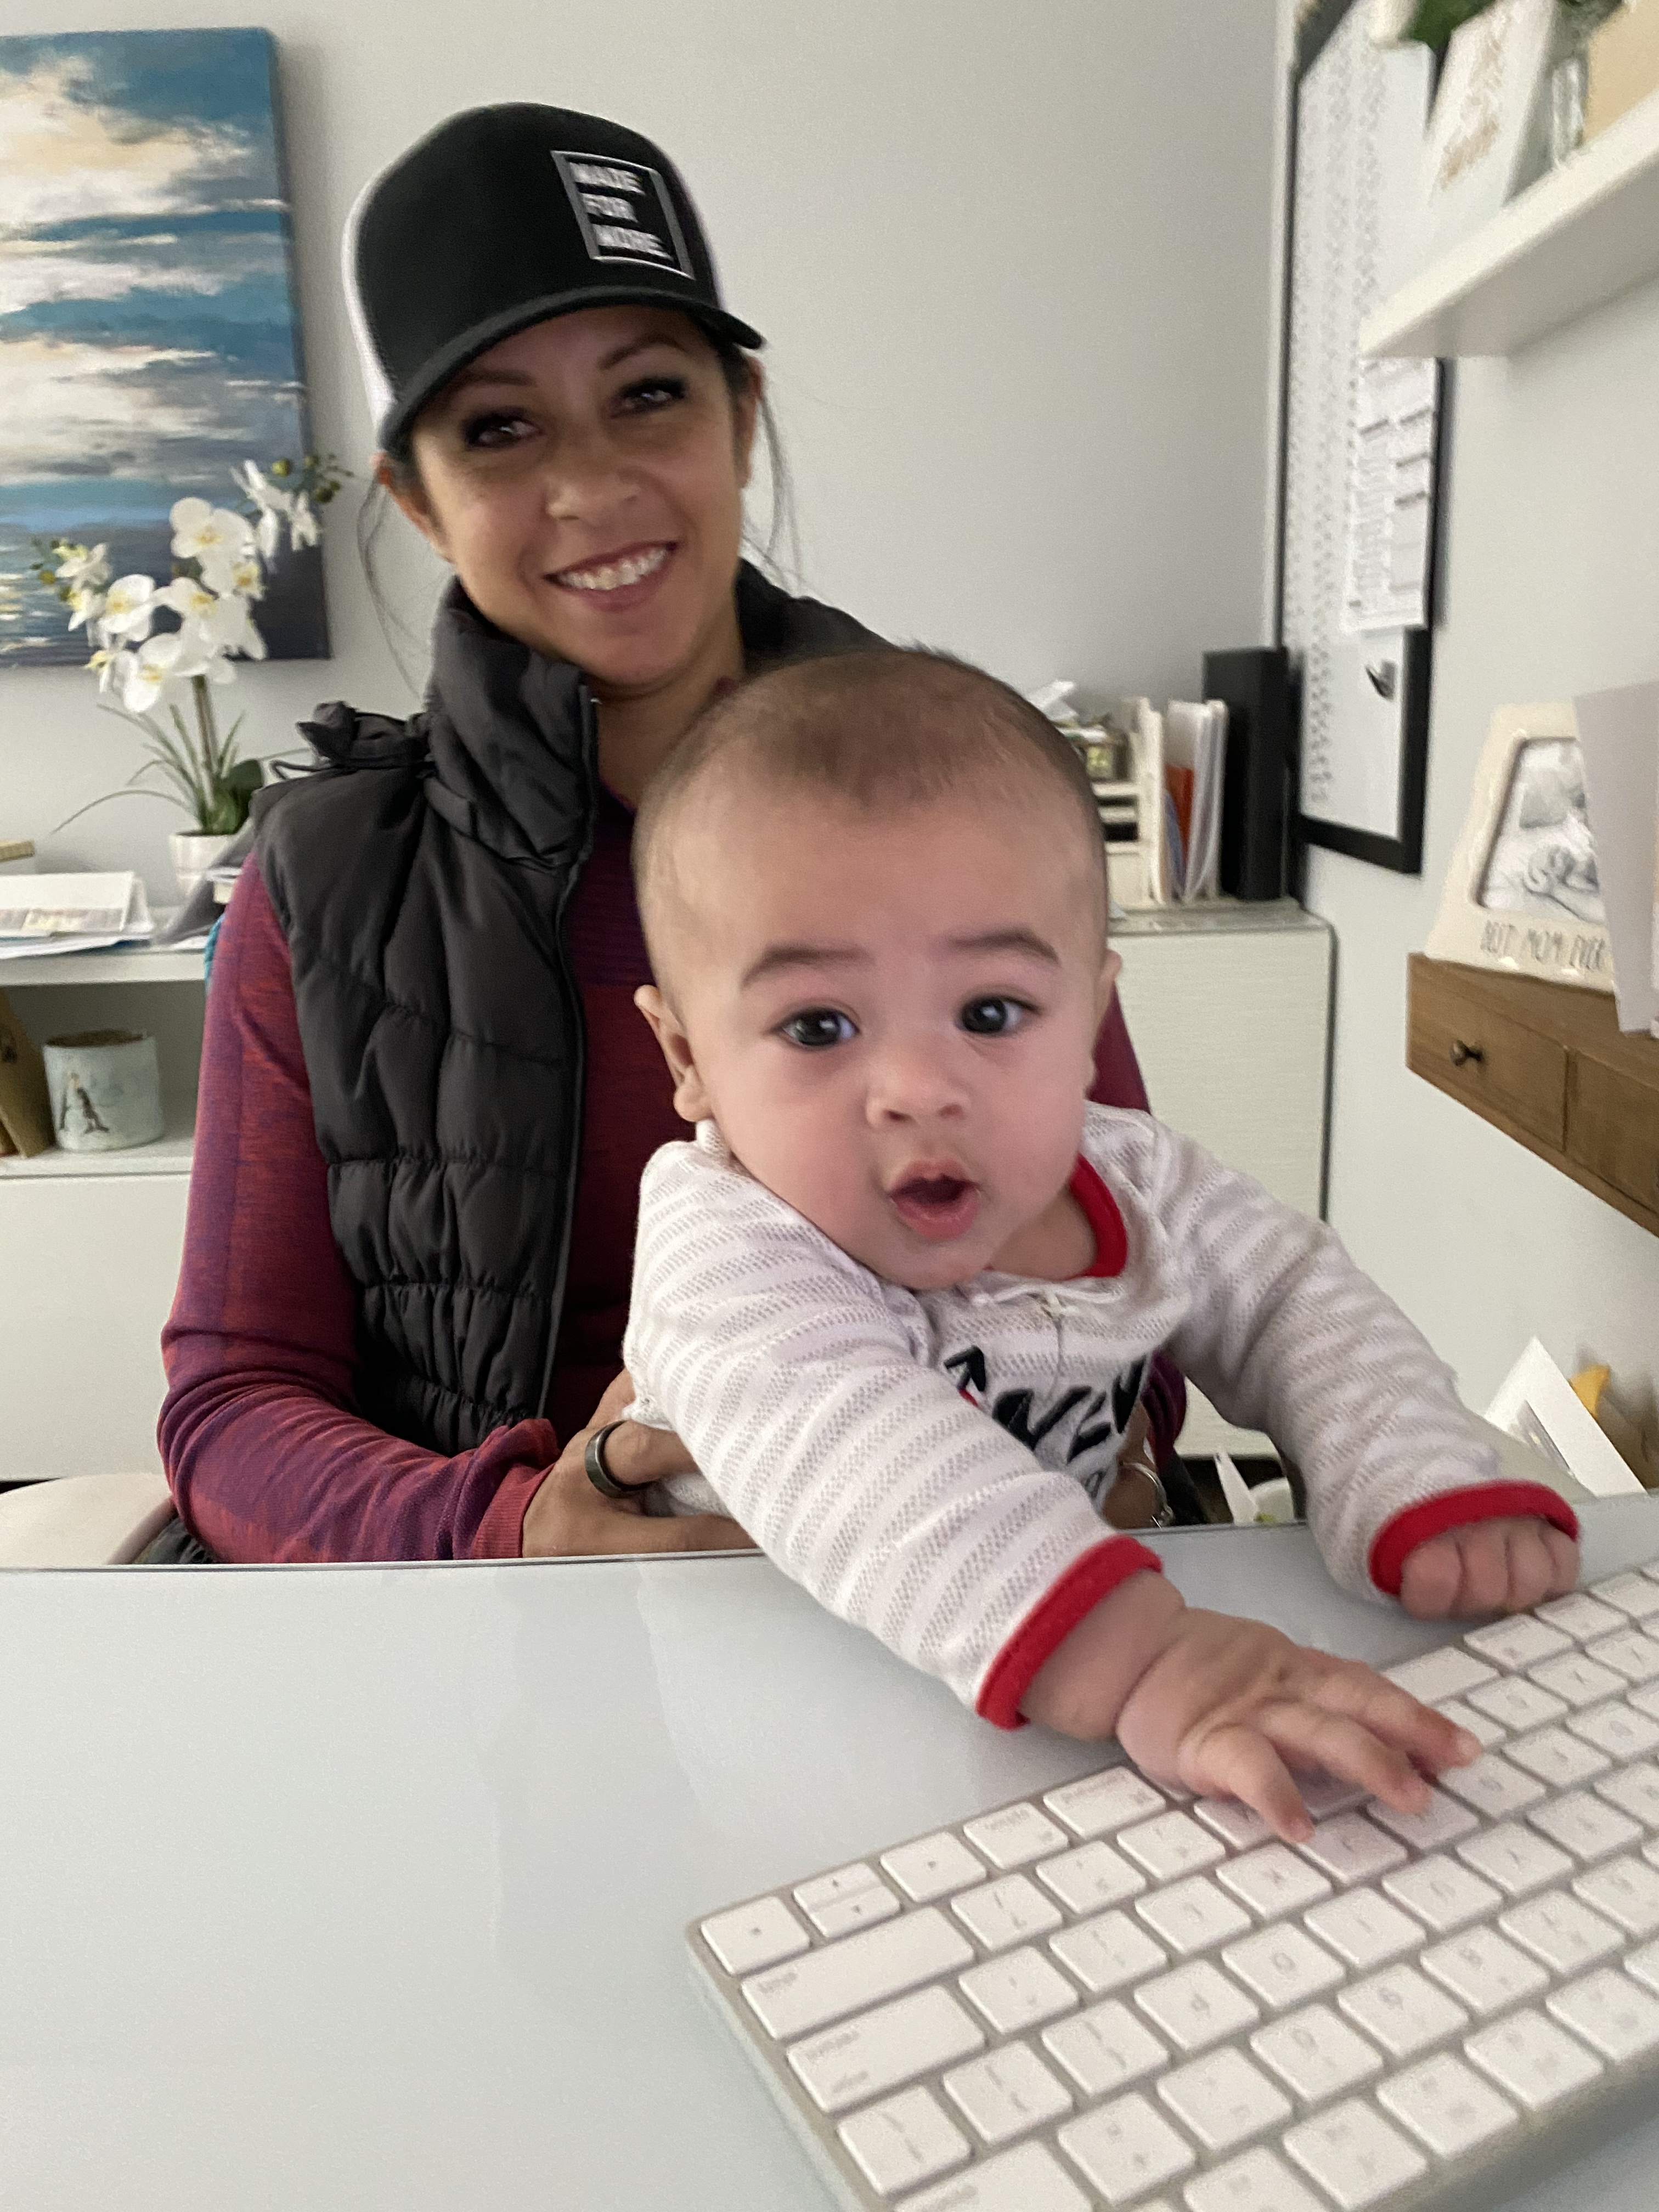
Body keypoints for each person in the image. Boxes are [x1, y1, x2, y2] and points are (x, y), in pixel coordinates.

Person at [156, 103, 1181, 1562]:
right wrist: (522, 1531)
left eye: (649, 395)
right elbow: (233, 1410)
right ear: (420, 501)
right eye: (500, 429)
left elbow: (1143, 1273)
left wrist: (1110, 1445)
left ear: (742, 416)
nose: (592, 488)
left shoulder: (975, 808)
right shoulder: (326, 889)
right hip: (508, 1652)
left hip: (966, 1576)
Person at [613, 647, 1581, 1833]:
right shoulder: (724, 1240)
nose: (918, 1087)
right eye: (819, 1024)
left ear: (1090, 1017)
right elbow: (851, 1443)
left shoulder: (1139, 1178)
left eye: (992, 1012)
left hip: (1051, 1691)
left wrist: (1413, 1471)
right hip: (787, 1723)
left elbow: (1294, 1299)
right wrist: (1152, 1657)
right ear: (689, 1061)